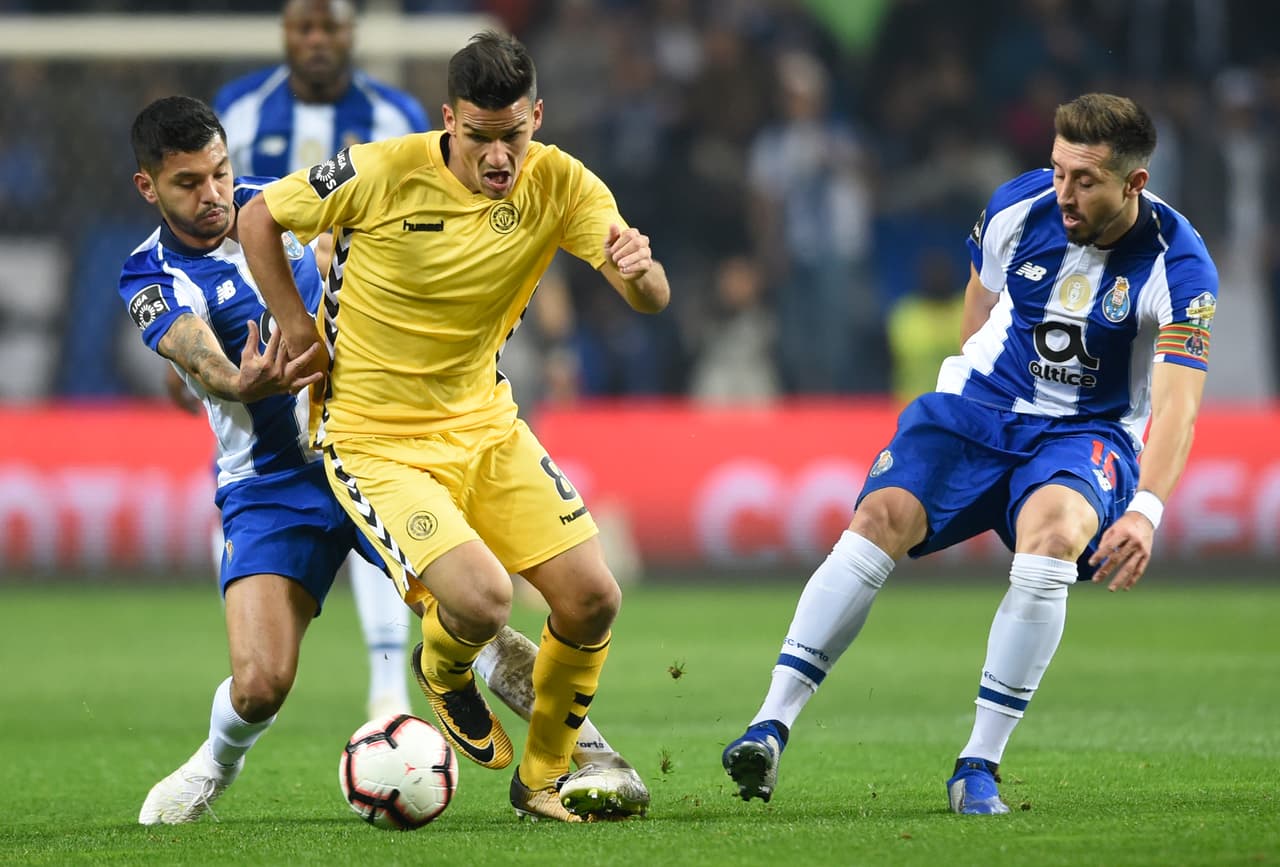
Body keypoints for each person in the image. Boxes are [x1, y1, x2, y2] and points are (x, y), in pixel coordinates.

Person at [122, 96, 648, 826]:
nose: (212, 194)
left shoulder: (273, 207)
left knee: (476, 611)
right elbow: (194, 352)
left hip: (376, 445)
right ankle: (216, 760)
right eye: (187, 183)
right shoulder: (149, 274)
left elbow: (376, 220)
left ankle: (586, 752)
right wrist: (239, 380)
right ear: (148, 186)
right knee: (261, 682)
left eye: (219, 172)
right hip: (272, 484)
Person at [722, 93, 1217, 814]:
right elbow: (979, 305)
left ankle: (977, 766)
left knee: (1050, 540)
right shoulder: (1019, 207)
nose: (1065, 193)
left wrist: (1145, 510)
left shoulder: (1180, 265)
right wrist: (973, 381)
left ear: (1134, 184)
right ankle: (768, 726)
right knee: (878, 517)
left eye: (1085, 180)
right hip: (980, 406)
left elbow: (1178, 406)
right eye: (1058, 171)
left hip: (1086, 430)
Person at [237, 31, 670, 822]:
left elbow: (648, 294)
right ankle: (444, 670)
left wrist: (641, 274)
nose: (499, 156)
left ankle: (541, 781)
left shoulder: (561, 183)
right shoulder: (379, 170)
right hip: (373, 436)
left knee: (593, 599)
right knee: (480, 602)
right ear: (448, 121)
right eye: (480, 137)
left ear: (537, 116)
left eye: (515, 134)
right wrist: (296, 328)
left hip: (487, 424)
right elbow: (260, 216)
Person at [206, 0, 430, 721]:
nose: (317, 40)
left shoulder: (398, 116)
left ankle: (390, 685)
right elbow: (208, 222)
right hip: (256, 344)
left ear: (351, 32)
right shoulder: (238, 112)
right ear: (285, 32)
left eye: (330, 26)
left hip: (367, 336)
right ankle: (262, 626)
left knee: (363, 480)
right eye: (304, 26)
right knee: (265, 475)